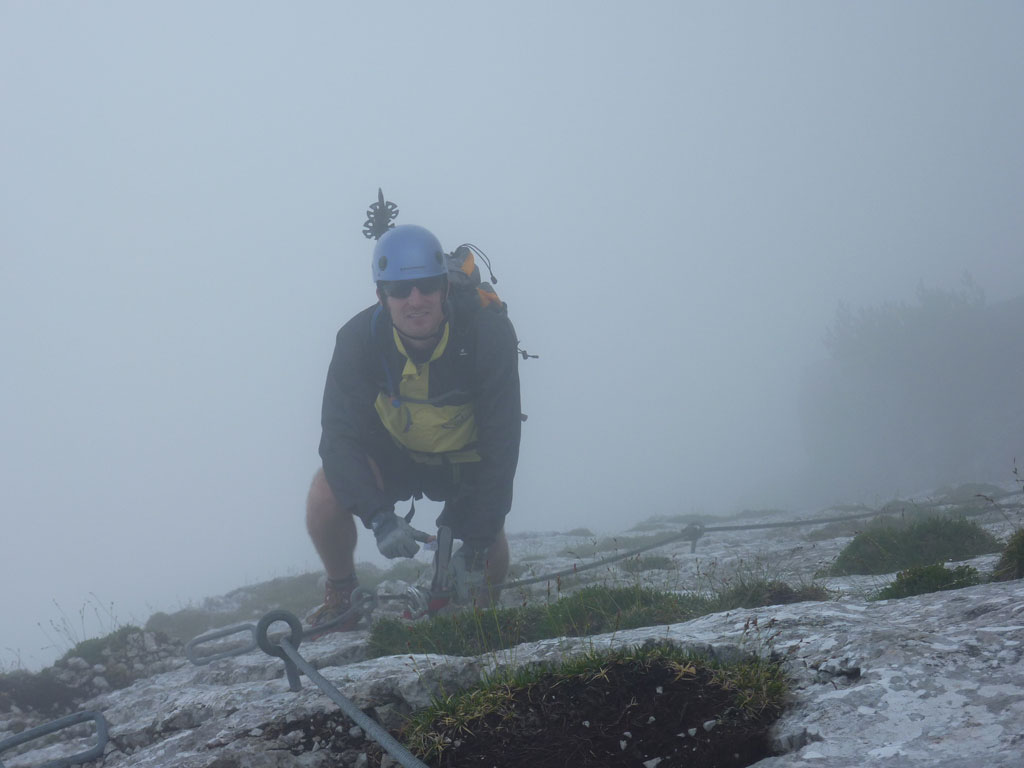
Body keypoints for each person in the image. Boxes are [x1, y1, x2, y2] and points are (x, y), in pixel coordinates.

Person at [305, 224, 522, 630]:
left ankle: (482, 614)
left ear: (443, 288)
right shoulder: (357, 341)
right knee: (324, 492)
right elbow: (338, 438)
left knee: (490, 545)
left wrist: (475, 545)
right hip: (399, 456)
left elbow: (502, 443)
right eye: (400, 290)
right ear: (381, 296)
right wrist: (378, 517)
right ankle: (341, 597)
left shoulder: (487, 335)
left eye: (425, 286)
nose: (415, 300)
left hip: (465, 459)